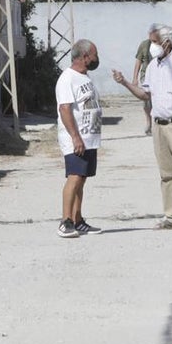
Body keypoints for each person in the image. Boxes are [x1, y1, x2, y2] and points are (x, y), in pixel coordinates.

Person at [112, 24, 172, 231]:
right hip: (159, 125)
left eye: (154, 42)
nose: (151, 46)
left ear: (167, 42)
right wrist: (126, 83)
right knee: (166, 173)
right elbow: (146, 95)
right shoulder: (154, 66)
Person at [54, 39, 104, 238]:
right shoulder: (68, 78)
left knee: (81, 179)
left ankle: (78, 219)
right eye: (94, 55)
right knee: (74, 177)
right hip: (76, 139)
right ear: (84, 57)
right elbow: (65, 108)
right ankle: (65, 221)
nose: (96, 59)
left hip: (89, 138)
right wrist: (75, 137)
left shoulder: (84, 77)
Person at [132, 24, 155, 136]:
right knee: (147, 101)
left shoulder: (163, 44)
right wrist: (135, 78)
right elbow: (138, 61)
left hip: (159, 75)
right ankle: (149, 122)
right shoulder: (144, 45)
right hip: (146, 75)